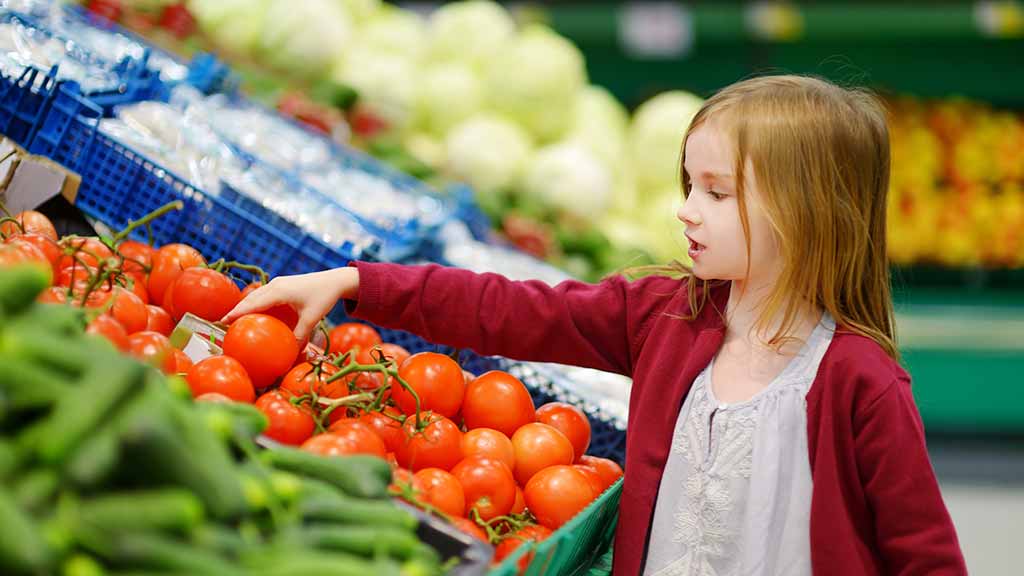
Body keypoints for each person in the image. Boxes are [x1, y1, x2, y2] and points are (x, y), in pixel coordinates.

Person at [224, 75, 966, 575]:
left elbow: (925, 553)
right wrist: (361, 283)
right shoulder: (665, 319)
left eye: (715, 192)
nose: (686, 210)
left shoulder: (858, 381)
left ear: (808, 212)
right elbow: (510, 310)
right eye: (686, 185)